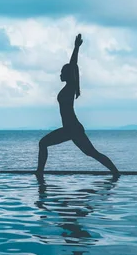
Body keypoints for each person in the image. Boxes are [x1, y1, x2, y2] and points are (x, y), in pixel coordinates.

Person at [35, 34, 120, 177]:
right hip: (70, 128)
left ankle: (39, 173)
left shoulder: (70, 87)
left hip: (72, 128)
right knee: (91, 153)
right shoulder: (68, 88)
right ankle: (115, 172)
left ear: (68, 75)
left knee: (90, 153)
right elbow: (72, 68)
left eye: (62, 72)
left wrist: (76, 48)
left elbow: (73, 65)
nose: (60, 74)